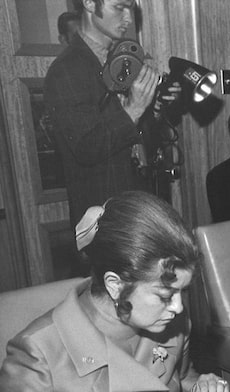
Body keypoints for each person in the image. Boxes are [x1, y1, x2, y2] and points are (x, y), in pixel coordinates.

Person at [0, 191, 229, 392]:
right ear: (116, 286)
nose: (179, 308)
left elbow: (181, 378)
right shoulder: (41, 349)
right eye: (164, 295)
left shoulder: (170, 322)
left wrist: (201, 386)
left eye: (182, 292)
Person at [45, 0, 161, 227]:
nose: (128, 19)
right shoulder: (65, 70)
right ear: (89, 3)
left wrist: (153, 109)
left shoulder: (118, 61)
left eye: (131, 9)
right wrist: (134, 109)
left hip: (138, 206)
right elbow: (86, 147)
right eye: (119, 7)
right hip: (103, 218)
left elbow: (130, 136)